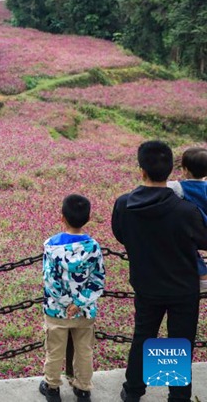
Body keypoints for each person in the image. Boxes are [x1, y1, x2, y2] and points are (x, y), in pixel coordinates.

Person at [111, 141, 207, 402]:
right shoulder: (186, 211)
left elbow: (121, 235)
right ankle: (177, 397)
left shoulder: (123, 205)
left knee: (144, 335)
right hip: (183, 288)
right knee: (178, 342)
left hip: (146, 284)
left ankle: (133, 391)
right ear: (172, 170)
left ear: (141, 170)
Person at [38, 195, 105, 402]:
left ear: (62, 218)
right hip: (84, 312)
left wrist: (67, 303)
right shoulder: (93, 247)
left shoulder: (51, 246)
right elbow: (98, 279)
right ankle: (83, 388)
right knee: (84, 350)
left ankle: (52, 387)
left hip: (56, 311)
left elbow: (50, 280)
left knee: (55, 350)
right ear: (88, 217)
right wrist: (78, 303)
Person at [167, 147, 207, 290]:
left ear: (185, 169)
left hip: (193, 229)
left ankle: (203, 275)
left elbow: (163, 187)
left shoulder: (179, 187)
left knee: (187, 248)